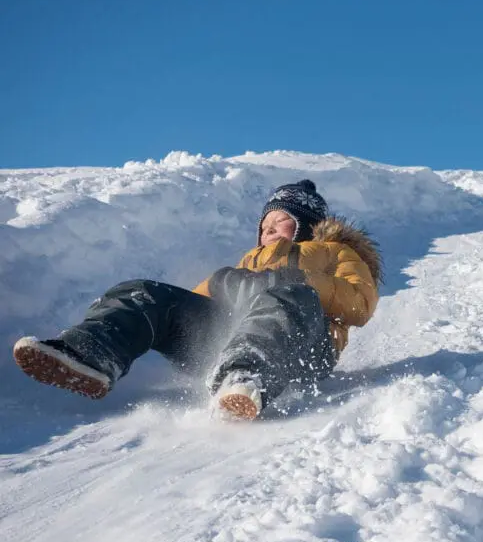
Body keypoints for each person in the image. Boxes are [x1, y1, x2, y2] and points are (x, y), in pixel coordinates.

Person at [12, 179, 382, 420]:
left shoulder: (333, 252)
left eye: (279, 221)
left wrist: (300, 279)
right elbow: (193, 307)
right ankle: (92, 352)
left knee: (285, 294)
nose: (268, 229)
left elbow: (359, 304)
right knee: (152, 294)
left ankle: (246, 374)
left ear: (305, 224)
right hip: (228, 339)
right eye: (264, 224)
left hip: (304, 347)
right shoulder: (248, 262)